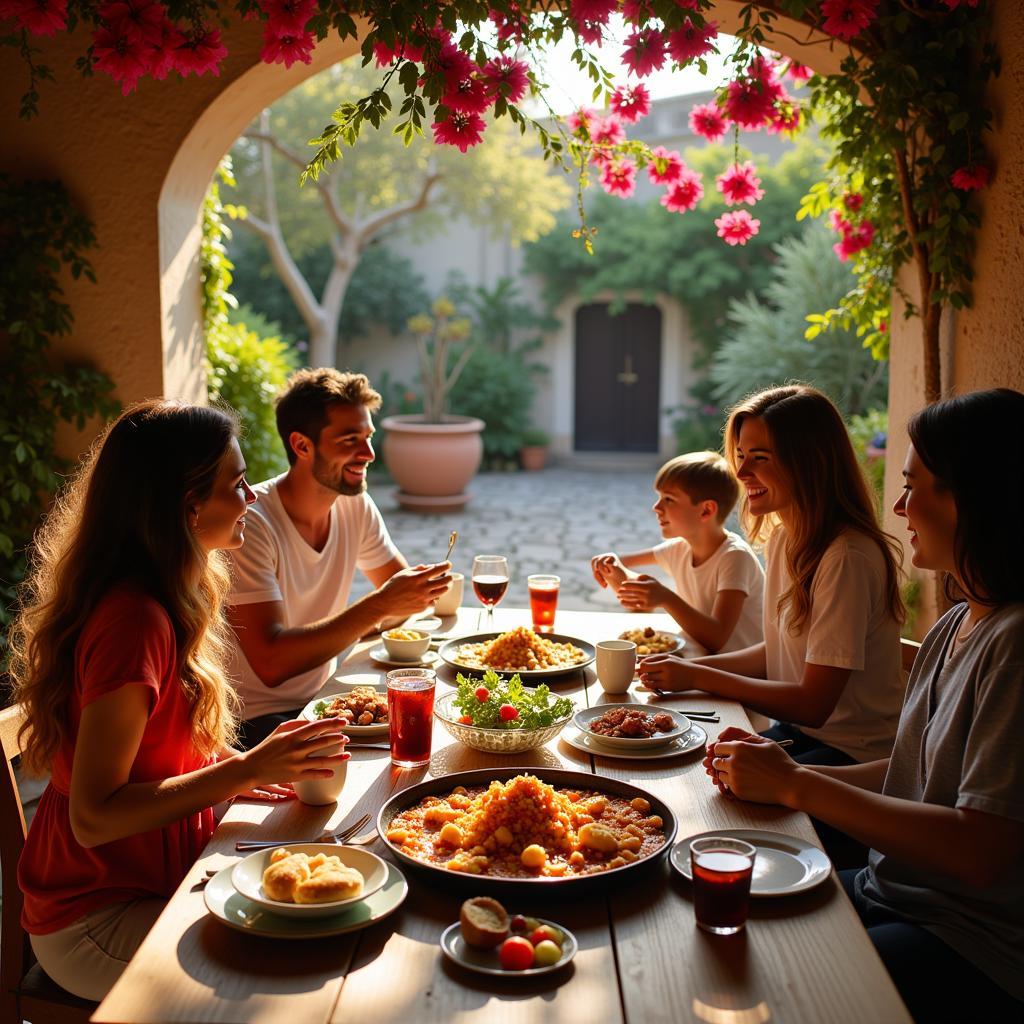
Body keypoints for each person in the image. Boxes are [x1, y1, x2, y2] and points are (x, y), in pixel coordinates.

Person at [11, 400, 349, 1002]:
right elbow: (93, 819)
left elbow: (161, 736)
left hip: (154, 877)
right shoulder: (133, 621)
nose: (250, 498)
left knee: (318, 911)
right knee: (295, 973)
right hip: (95, 918)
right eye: (236, 484)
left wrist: (236, 765)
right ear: (187, 504)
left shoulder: (173, 591)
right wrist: (241, 769)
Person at [704, 388, 1024, 1023]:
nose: (900, 508)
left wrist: (797, 785)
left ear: (974, 498)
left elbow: (979, 852)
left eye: (915, 488)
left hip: (966, 936)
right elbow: (915, 772)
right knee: (717, 918)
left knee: (772, 987)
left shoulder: (1013, 644)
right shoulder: (957, 622)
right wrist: (786, 778)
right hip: (895, 888)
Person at [639, 385, 904, 767]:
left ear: (809, 462)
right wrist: (683, 671)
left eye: (760, 458)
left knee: (699, 776)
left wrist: (698, 677)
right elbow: (779, 652)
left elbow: (814, 705)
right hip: (799, 733)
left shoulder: (845, 556)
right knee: (678, 755)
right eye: (741, 455)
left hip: (853, 754)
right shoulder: (785, 537)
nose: (742, 472)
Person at [226, 368, 451, 747]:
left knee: (436, 725)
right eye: (350, 440)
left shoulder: (354, 504)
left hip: (324, 702)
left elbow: (399, 604)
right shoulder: (251, 524)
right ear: (301, 446)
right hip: (253, 724)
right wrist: (380, 604)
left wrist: (404, 595)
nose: (368, 454)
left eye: (367, 437)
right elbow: (272, 664)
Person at [591, 451, 764, 655]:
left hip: (739, 672)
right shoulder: (679, 548)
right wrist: (610, 566)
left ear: (706, 511)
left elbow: (716, 638)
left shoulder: (735, 557)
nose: (656, 507)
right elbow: (623, 564)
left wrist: (665, 598)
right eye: (659, 498)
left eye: (669, 499)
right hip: (700, 658)